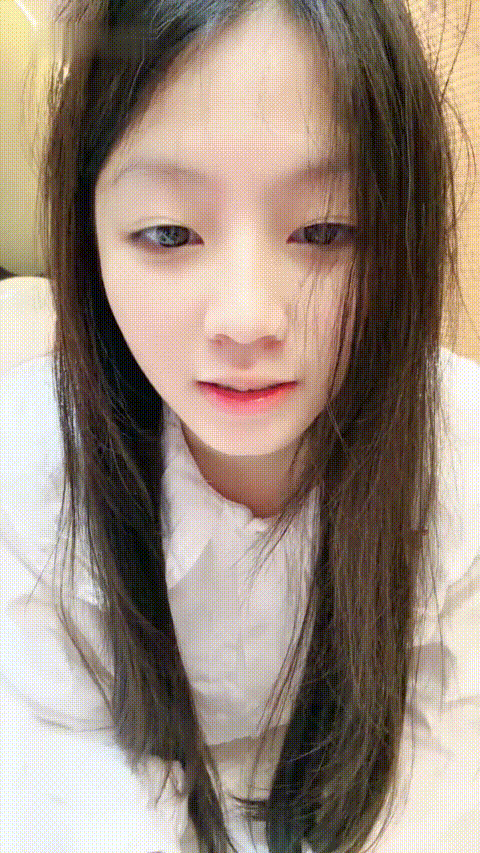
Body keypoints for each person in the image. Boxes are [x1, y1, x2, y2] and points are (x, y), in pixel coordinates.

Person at [1, 1, 479, 851]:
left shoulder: (462, 454)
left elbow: (447, 771)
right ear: (89, 237)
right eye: (169, 232)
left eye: (325, 229)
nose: (248, 318)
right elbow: (65, 775)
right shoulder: (32, 465)